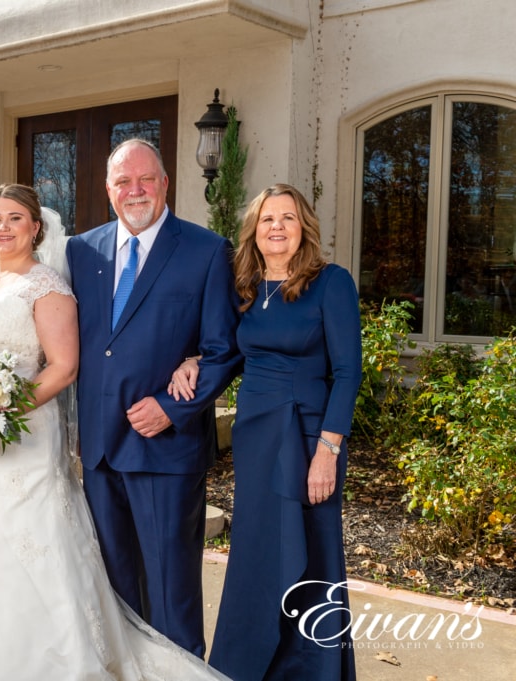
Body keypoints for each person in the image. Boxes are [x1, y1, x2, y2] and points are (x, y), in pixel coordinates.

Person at [0, 183, 230, 681]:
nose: (3, 227)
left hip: (22, 436)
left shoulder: (47, 286)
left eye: (15, 218)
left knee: (27, 544)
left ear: (36, 228)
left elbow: (65, 367)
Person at [170, 184, 362, 680]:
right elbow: (232, 352)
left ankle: (313, 671)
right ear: (254, 230)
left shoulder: (331, 283)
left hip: (308, 438)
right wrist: (194, 360)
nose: (277, 227)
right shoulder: (246, 289)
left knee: (311, 553)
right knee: (256, 553)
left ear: (304, 228)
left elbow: (348, 373)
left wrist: (328, 451)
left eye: (288, 218)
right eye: (267, 219)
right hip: (256, 439)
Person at [65, 139, 241, 657]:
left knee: (170, 594)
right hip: (99, 451)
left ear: (165, 183)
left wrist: (172, 406)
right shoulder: (81, 251)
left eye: (146, 179)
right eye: (123, 182)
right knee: (116, 593)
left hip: (165, 450)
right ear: (109, 191)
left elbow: (225, 349)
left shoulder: (207, 250)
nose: (135, 190)